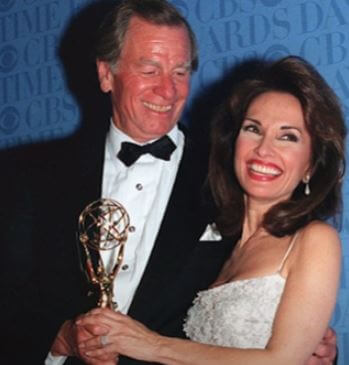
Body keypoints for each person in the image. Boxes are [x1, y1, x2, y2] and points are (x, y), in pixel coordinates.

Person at [0, 0, 336, 364]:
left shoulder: (234, 176)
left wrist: (317, 352)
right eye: (150, 69)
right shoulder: (28, 175)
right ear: (106, 74)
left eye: (180, 72)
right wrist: (60, 339)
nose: (167, 91)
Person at [75, 55, 345, 365]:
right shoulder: (219, 242)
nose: (264, 149)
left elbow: (284, 359)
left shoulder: (315, 240)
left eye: (288, 136)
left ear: (311, 165)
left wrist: (151, 345)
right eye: (253, 129)